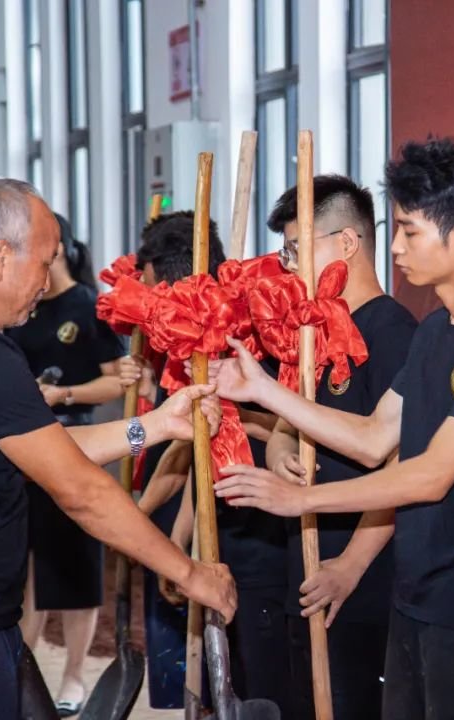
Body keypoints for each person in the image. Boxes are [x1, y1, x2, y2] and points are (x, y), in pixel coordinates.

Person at [0, 179, 236, 720]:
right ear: (1, 257)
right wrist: (190, 574)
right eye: (45, 262)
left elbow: (41, 448)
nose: (47, 280)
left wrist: (154, 426)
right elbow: (81, 491)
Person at [211, 139, 454, 719]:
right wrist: (264, 391)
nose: (394, 247)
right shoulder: (436, 331)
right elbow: (372, 437)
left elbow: (431, 474)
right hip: (414, 598)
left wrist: (303, 499)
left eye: (410, 231)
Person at [261, 174, 416, 720]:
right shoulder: (317, 332)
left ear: (347, 243)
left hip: (362, 579)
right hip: (306, 566)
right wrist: (279, 453)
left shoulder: (392, 331)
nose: (289, 266)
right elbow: (286, 423)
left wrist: (350, 565)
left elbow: (401, 462)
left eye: (296, 248)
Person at [133, 210, 295, 713]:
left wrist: (239, 416)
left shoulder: (258, 334)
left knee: (264, 689)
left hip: (262, 547)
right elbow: (192, 455)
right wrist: (178, 539)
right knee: (217, 687)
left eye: (153, 291)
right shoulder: (190, 349)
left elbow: (290, 427)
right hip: (214, 539)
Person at [5, 212, 129, 716]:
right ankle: (22, 669)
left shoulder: (88, 304)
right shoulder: (17, 303)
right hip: (16, 445)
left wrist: (64, 394)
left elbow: (117, 380)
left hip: (74, 439)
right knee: (23, 568)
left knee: (75, 565)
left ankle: (75, 674)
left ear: (55, 248)